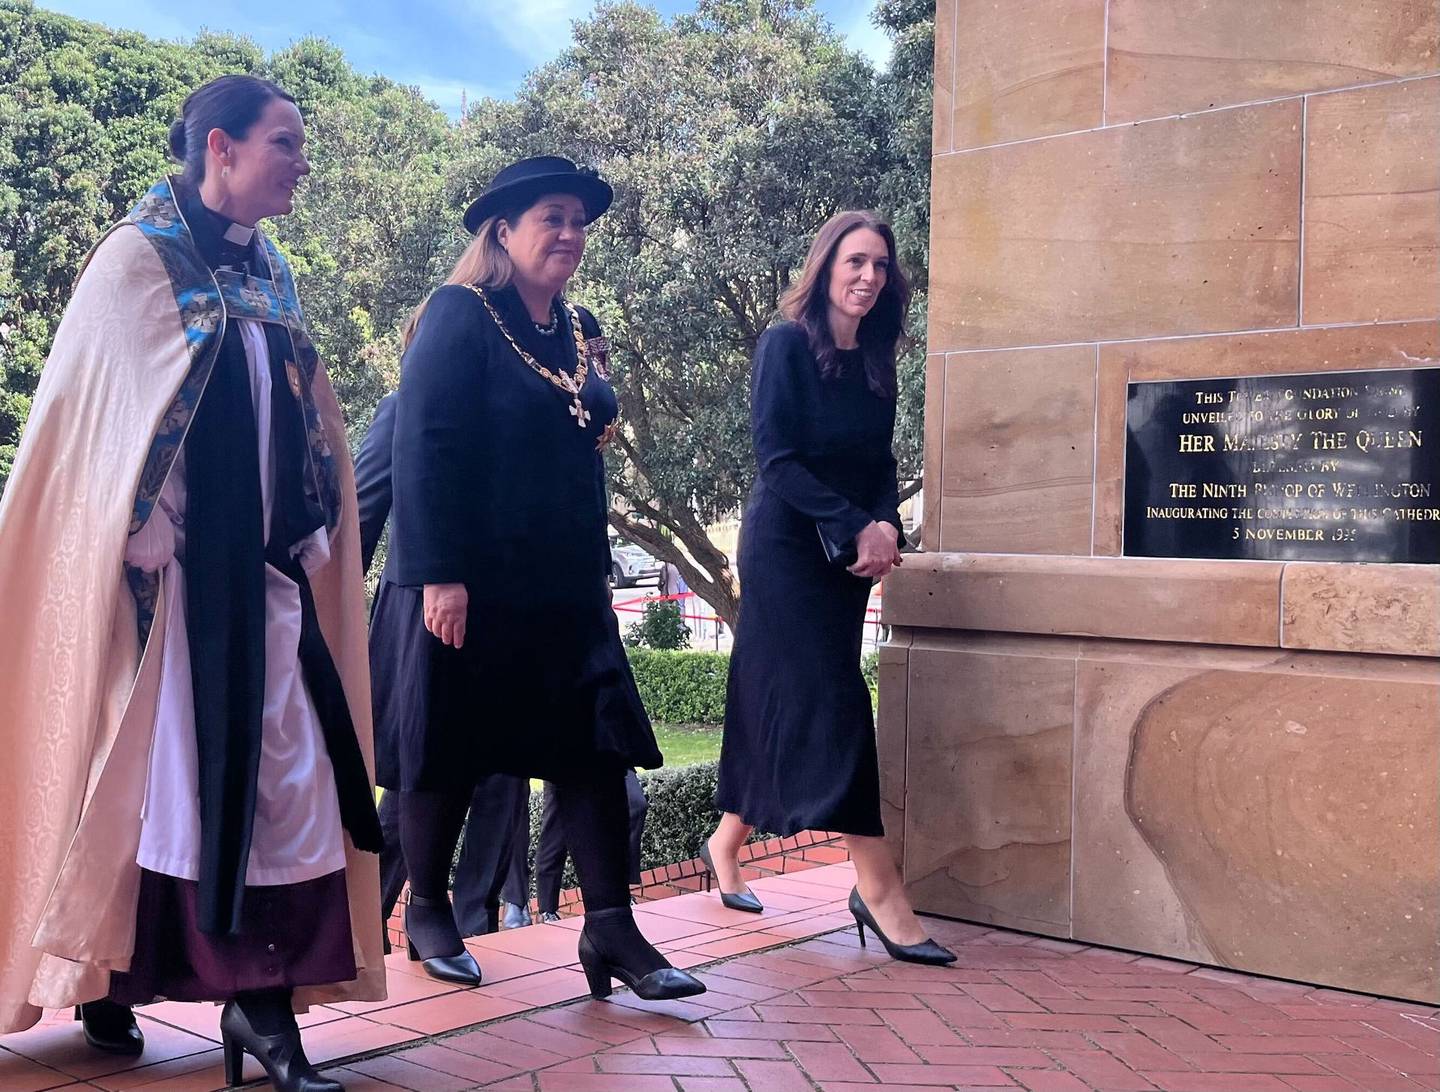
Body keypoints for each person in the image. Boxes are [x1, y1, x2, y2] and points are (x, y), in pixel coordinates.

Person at [0, 75, 386, 1092]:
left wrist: (309, 520)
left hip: (263, 577)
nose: (303, 163)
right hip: (161, 593)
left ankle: (259, 1011)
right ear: (221, 147)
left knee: (282, 788)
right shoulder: (135, 262)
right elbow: (98, 424)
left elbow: (295, 407)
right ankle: (111, 980)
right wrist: (138, 522)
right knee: (138, 789)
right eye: (286, 144)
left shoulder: (275, 269)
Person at [369, 155, 703, 1002]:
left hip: (562, 585)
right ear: (503, 232)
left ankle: (611, 929)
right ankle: (429, 910)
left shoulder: (573, 325)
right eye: (552, 217)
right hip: (468, 582)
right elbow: (422, 446)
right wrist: (438, 574)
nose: (569, 234)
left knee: (590, 748)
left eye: (579, 222)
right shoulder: (459, 313)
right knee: (446, 747)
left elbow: (582, 432)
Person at [702, 211, 956, 966]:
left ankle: (723, 841)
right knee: (835, 702)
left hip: (844, 557)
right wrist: (856, 526)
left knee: (785, 695)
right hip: (786, 550)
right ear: (825, 267)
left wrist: (885, 526)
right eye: (855, 261)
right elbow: (776, 460)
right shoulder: (785, 345)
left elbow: (880, 462)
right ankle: (877, 889)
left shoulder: (877, 360)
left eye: (881, 265)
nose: (869, 277)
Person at [355, 393, 533, 943]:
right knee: (420, 775)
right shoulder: (403, 408)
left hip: (505, 612)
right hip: (422, 618)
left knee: (503, 776)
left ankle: (471, 924)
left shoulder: (510, 406)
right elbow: (363, 509)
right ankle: (370, 916)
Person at [508, 770, 649, 922]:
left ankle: (620, 891)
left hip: (609, 751)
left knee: (635, 804)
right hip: (564, 755)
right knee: (556, 831)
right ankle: (546, 910)